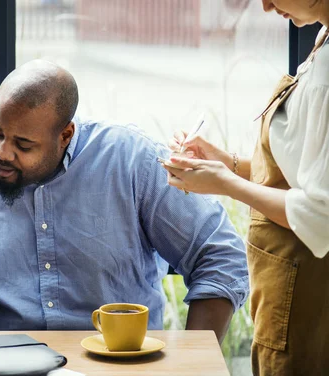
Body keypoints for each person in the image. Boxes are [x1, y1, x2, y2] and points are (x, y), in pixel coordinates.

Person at [0, 59, 249, 343]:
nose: (2, 153)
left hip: (119, 365)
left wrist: (191, 360)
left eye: (24, 145)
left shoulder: (132, 161)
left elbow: (219, 256)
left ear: (65, 134)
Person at [162, 1, 329, 374]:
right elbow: (304, 170)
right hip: (285, 292)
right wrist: (227, 162)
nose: (267, 6)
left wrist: (226, 184)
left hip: (306, 297)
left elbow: (320, 214)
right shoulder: (322, 38)